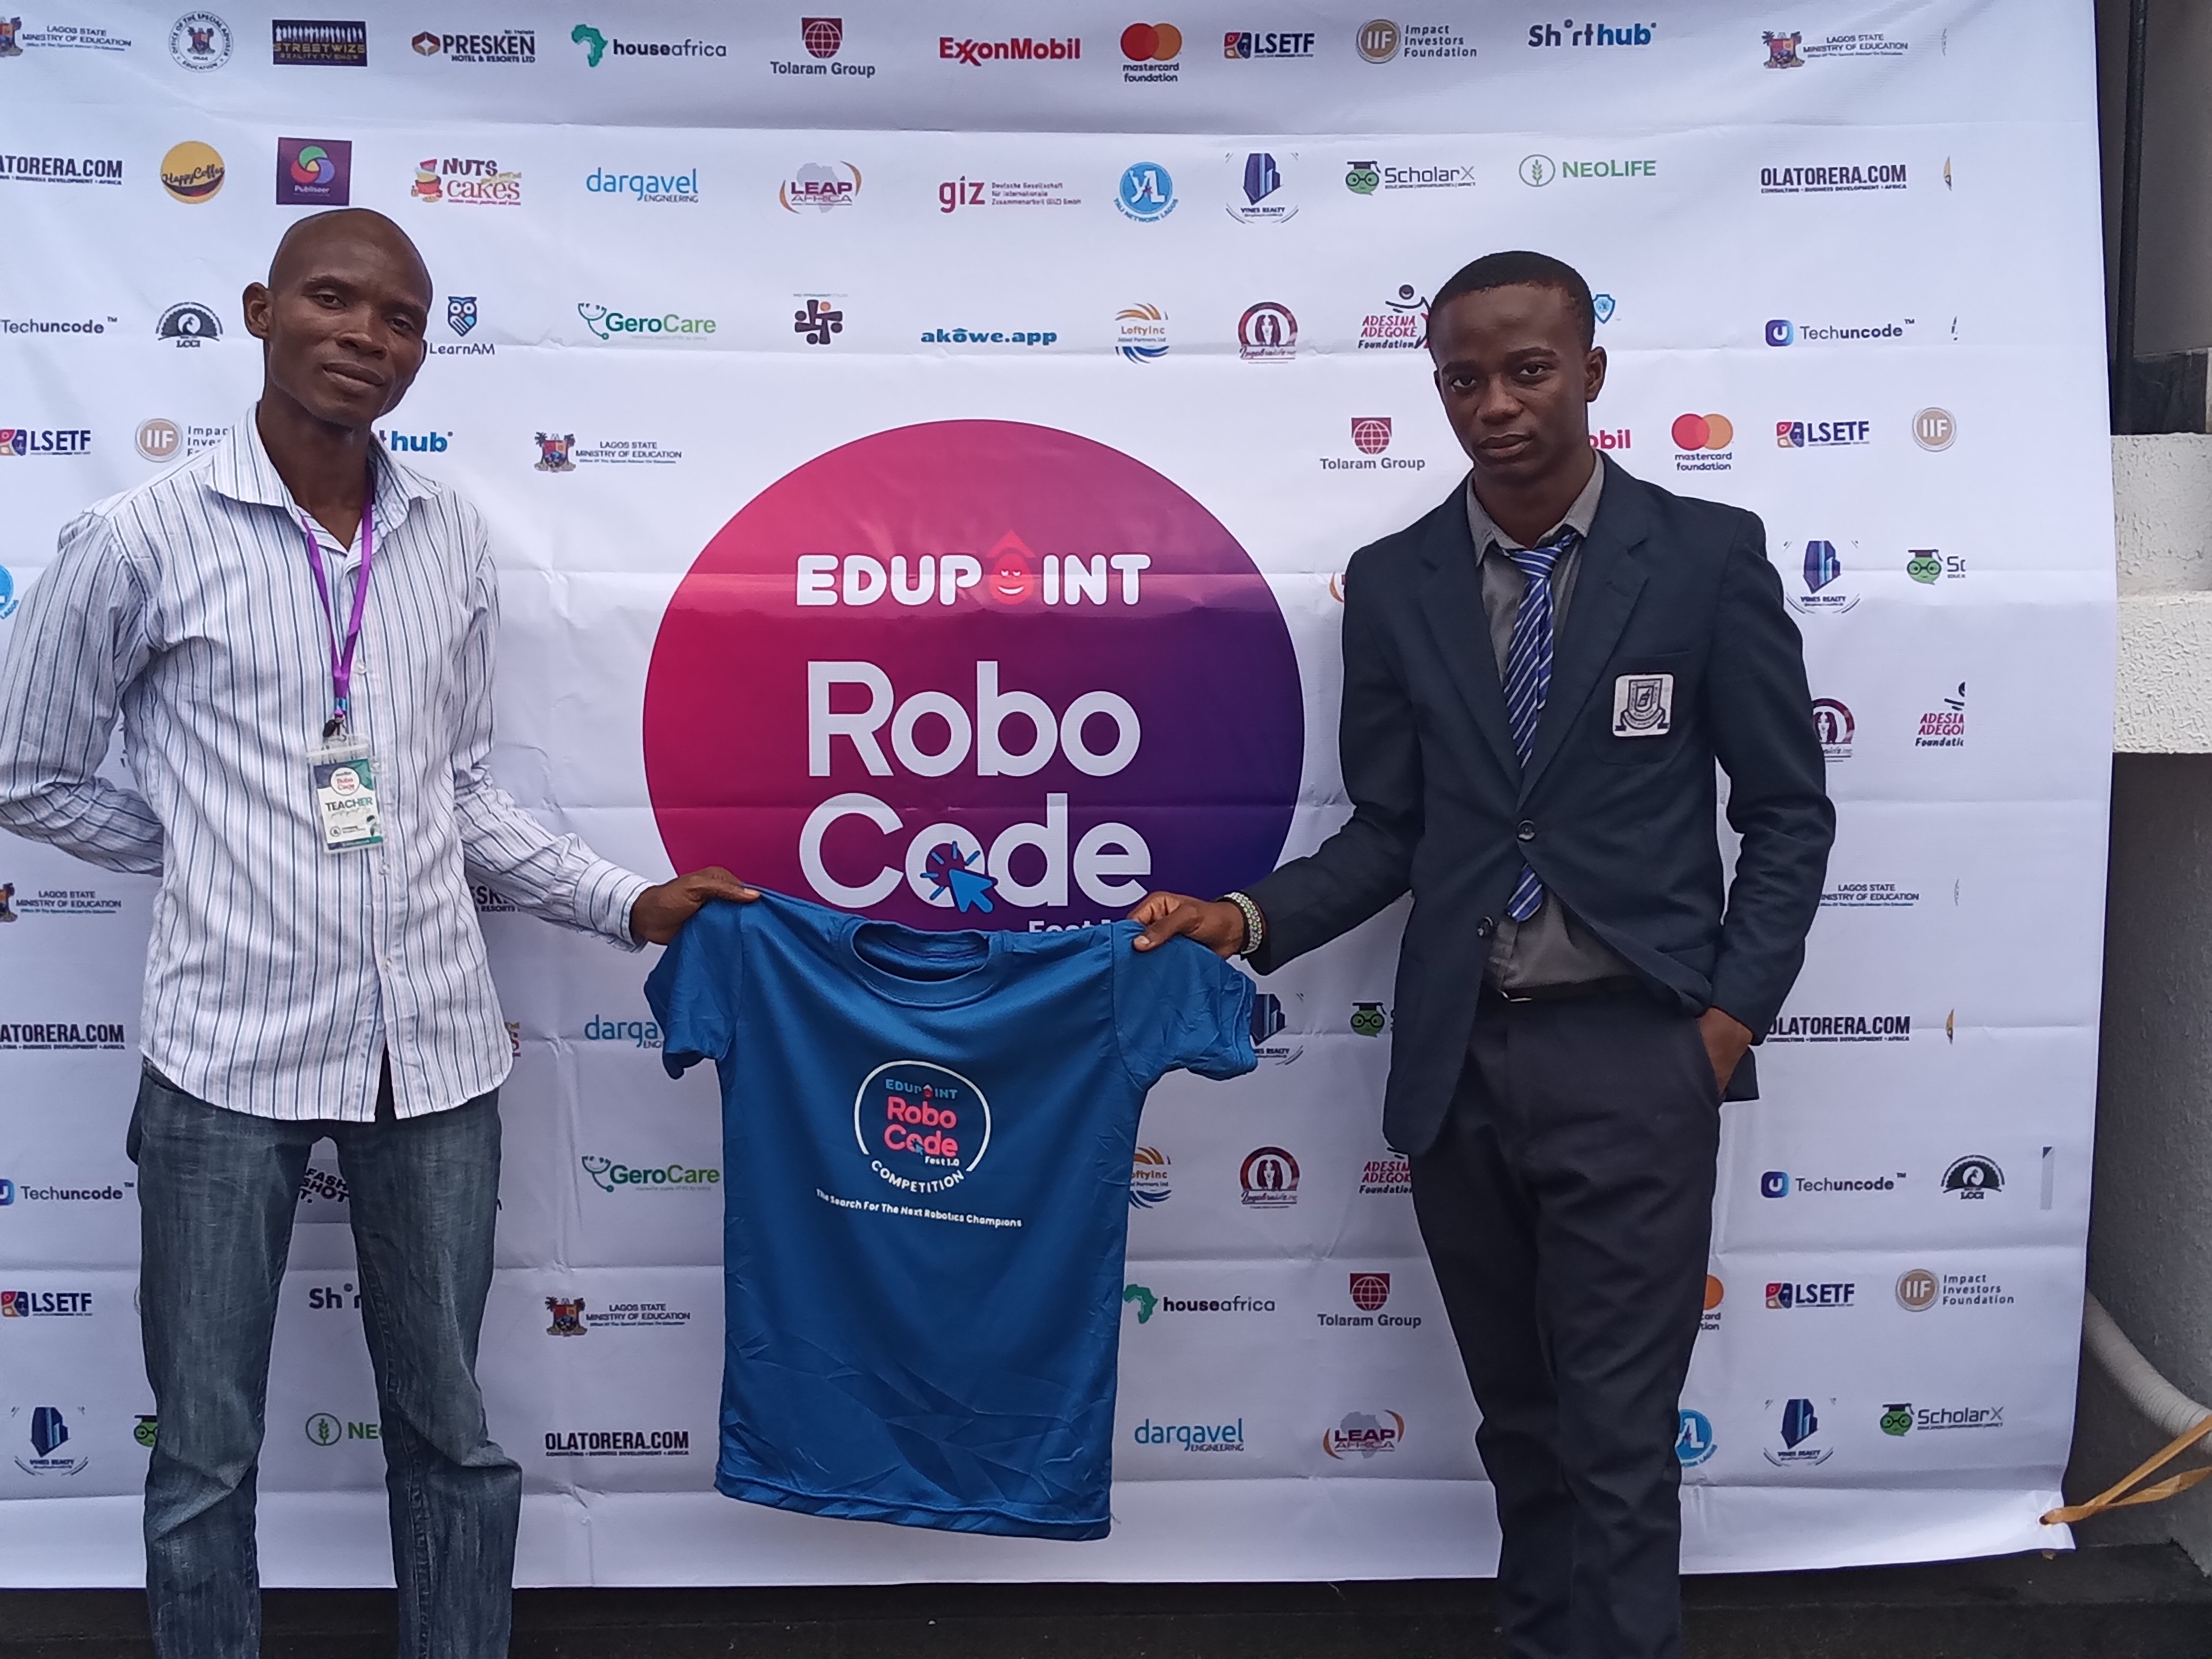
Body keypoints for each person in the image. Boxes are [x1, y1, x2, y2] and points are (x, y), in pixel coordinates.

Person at [0, 209, 755, 1659]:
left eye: (400, 318)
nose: (365, 335)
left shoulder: (446, 535)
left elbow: (454, 791)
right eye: (333, 299)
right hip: (225, 1058)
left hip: (438, 1058)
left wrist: (628, 901)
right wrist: (210, 844)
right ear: (260, 309)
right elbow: (25, 769)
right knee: (202, 1451)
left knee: (451, 1434)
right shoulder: (137, 537)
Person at [1131, 250, 1833, 1659]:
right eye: (1464, 379)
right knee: (1522, 1425)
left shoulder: (1705, 559)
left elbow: (1788, 814)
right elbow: (1392, 830)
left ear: (1591, 373)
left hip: (1638, 1054)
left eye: (1528, 371)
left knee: (1618, 1437)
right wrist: (1245, 920)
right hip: (1461, 1068)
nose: (1496, 404)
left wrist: (1723, 1024)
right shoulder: (1397, 584)